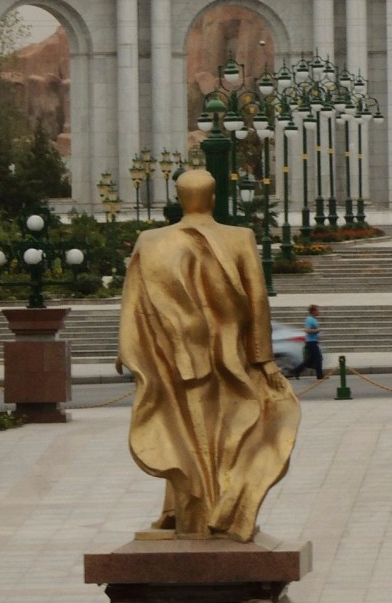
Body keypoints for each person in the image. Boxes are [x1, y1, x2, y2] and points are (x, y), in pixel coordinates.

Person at [117, 169, 299, 543]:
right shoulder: (240, 237)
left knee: (185, 431)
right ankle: (212, 512)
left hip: (176, 355)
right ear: (214, 198)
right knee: (234, 429)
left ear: (178, 199)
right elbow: (257, 299)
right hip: (230, 357)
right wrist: (263, 358)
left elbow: (132, 302)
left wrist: (129, 350)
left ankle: (196, 513)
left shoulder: (150, 240)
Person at [293, 304, 324, 380]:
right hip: (311, 342)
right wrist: (317, 330)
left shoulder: (314, 319)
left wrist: (317, 336)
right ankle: (320, 375)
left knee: (310, 360)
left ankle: (296, 371)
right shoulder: (309, 319)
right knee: (318, 358)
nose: (319, 312)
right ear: (313, 311)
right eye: (317, 310)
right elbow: (307, 330)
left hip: (313, 341)